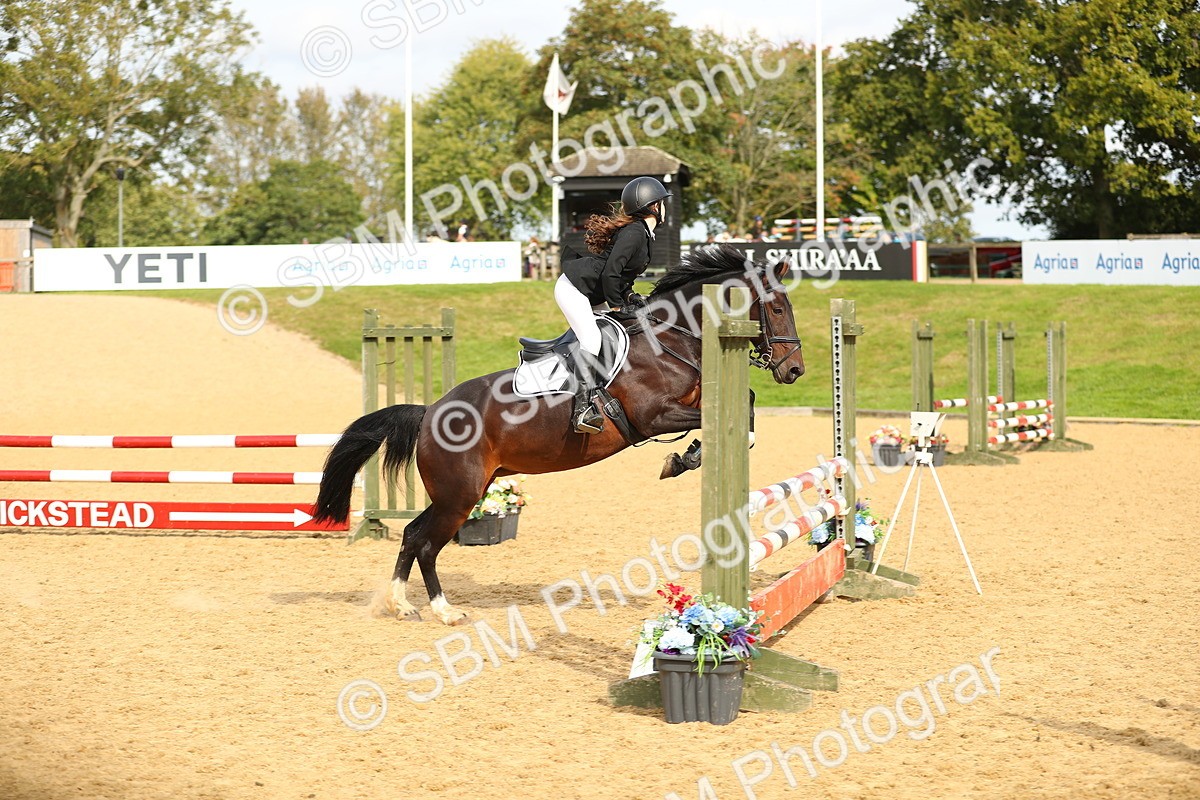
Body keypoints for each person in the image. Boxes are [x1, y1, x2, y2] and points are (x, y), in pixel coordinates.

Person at [556, 176, 671, 434]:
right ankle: (582, 410)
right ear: (654, 206)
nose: (665, 207)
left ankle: (605, 393)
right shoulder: (634, 232)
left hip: (593, 293)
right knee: (592, 341)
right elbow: (610, 273)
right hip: (574, 289)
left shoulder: (643, 233)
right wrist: (618, 307)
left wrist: (630, 297)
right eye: (663, 203)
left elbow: (621, 278)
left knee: (616, 338)